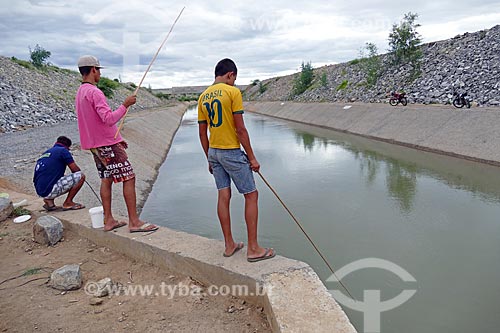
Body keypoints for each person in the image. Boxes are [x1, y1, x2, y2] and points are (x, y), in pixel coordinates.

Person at [198, 58, 276, 262]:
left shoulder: (203, 96)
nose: (234, 82)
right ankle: (253, 249)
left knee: (223, 195)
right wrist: (252, 157)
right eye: (234, 78)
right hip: (231, 151)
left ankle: (229, 245)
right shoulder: (232, 92)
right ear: (230, 74)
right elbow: (240, 129)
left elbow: (202, 132)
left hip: (214, 152)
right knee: (252, 195)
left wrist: (208, 158)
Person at [75, 55, 158, 233]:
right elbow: (108, 119)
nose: (99, 74)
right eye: (98, 70)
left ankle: (108, 220)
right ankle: (134, 222)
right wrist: (125, 105)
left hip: (96, 146)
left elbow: (96, 124)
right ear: (93, 70)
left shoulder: (80, 92)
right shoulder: (94, 92)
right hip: (107, 146)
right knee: (129, 177)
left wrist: (117, 138)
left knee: (107, 178)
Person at [33, 136, 85, 211]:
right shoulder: (63, 151)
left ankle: (49, 201)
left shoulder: (46, 152)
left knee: (54, 177)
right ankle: (68, 202)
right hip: (49, 190)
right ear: (68, 147)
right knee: (80, 176)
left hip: (40, 190)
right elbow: (75, 170)